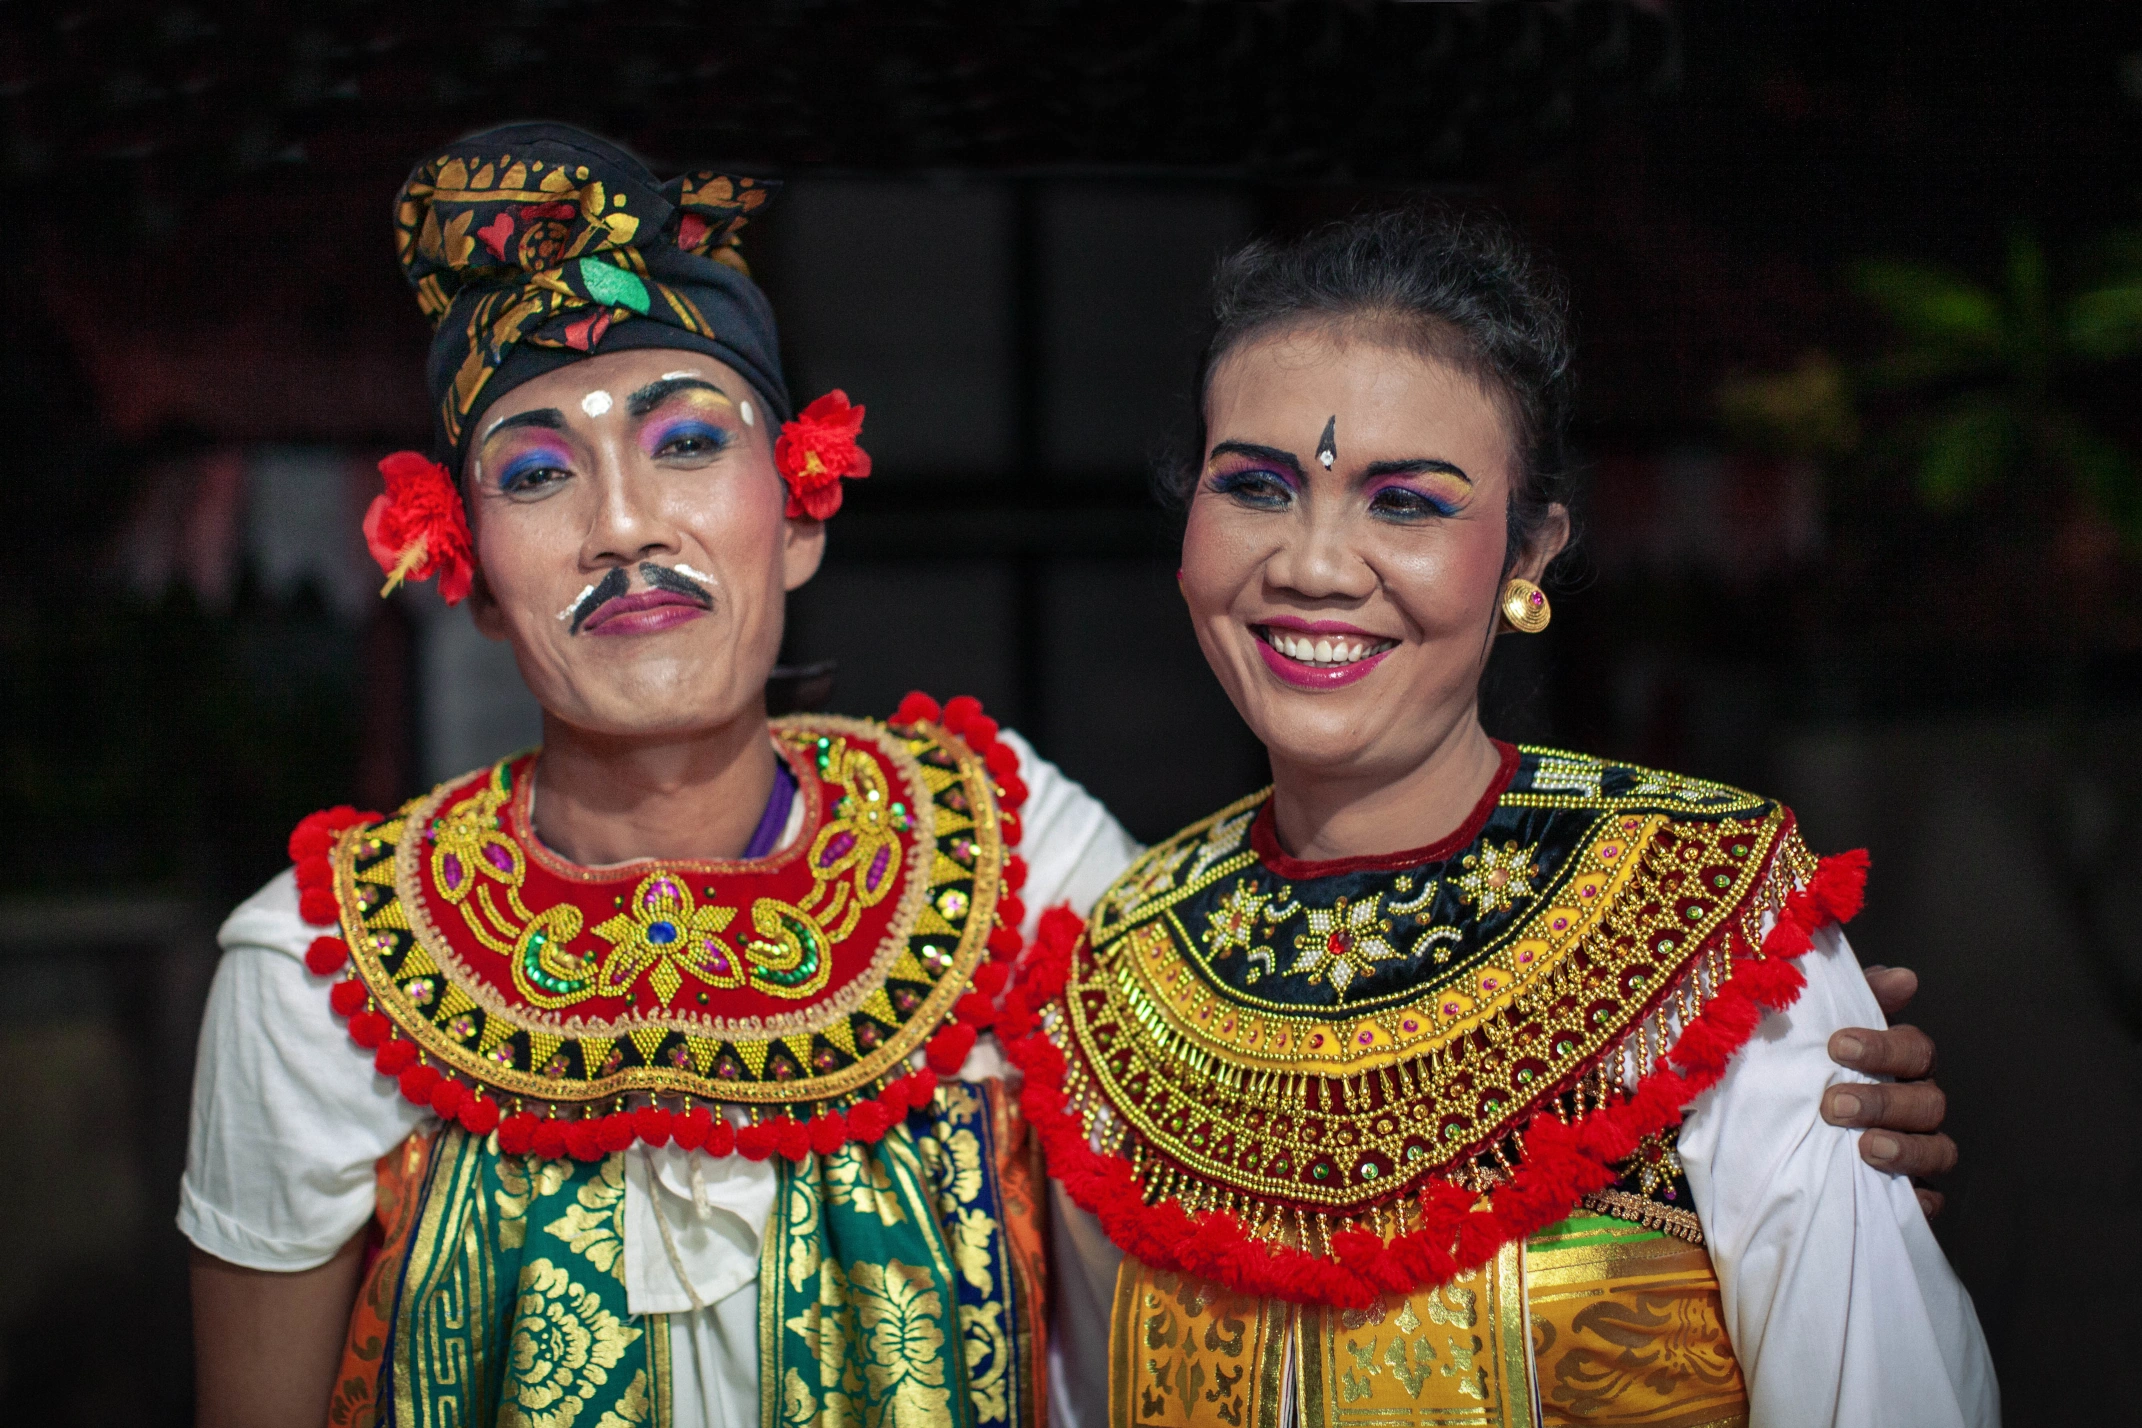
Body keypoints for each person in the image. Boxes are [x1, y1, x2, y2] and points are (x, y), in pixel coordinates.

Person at [178, 125, 1958, 1428]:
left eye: (688, 443)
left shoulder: (1010, 861)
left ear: (801, 509)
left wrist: (1764, 1063)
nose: (625, 524)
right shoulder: (315, 970)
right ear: (455, 556)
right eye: (535, 475)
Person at [999, 209, 1996, 1428]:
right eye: (1256, 487)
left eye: (1405, 504)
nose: (1315, 564)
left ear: (1530, 554)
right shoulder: (1113, 981)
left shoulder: (1703, 921)